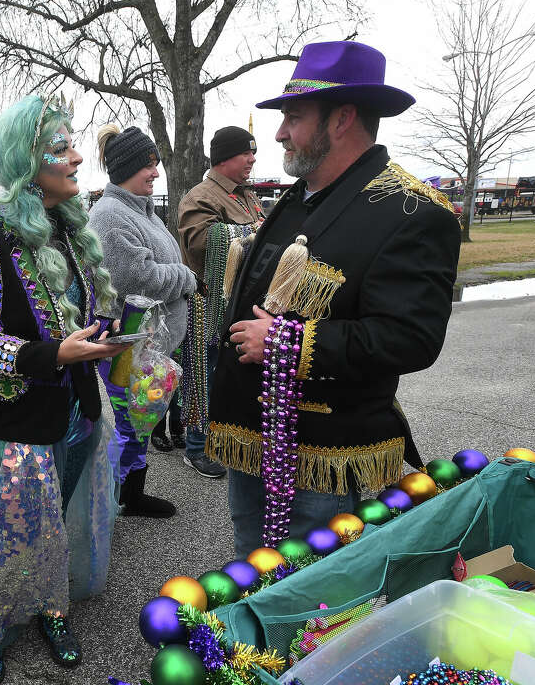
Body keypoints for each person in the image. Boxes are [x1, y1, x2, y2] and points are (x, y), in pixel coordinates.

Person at [208, 41, 461, 559]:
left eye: (294, 117)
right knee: (252, 573)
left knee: (314, 593)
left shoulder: (415, 211)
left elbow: (411, 338)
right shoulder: (296, 198)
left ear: (343, 118)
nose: (279, 132)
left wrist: (286, 342)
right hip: (253, 435)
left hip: (323, 448)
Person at [0, 94, 127, 685]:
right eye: (61, 149)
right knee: (0, 527)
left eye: (72, 145)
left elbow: (83, 311)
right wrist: (51, 355)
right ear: (25, 159)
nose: (78, 158)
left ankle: (49, 606)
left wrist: (111, 333)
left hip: (78, 411)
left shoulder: (71, 227)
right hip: (16, 420)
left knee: (57, 517)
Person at [88, 124, 195, 518]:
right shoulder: (111, 217)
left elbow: (159, 262)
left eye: (156, 164)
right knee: (132, 423)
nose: (155, 173)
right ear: (125, 168)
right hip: (127, 349)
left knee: (140, 422)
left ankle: (128, 495)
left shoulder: (139, 210)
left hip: (148, 347)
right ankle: (110, 501)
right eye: (148, 165)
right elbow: (139, 277)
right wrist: (187, 278)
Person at [175, 125, 266, 480]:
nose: (252, 159)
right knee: (203, 376)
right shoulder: (201, 196)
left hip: (239, 303)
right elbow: (199, 242)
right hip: (206, 304)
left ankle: (226, 437)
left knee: (233, 375)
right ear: (226, 157)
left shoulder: (247, 195)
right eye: (246, 153)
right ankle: (196, 448)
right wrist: (256, 233)